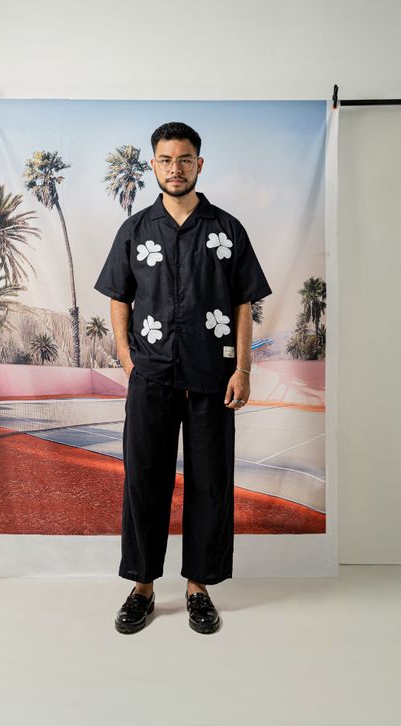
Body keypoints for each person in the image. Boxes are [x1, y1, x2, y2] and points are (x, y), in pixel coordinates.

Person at [94, 121, 273, 634]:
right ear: (154, 165)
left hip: (212, 378)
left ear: (199, 163)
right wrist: (127, 359)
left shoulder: (228, 230)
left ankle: (199, 587)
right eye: (166, 160)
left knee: (210, 483)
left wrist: (242, 368)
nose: (176, 168)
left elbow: (243, 303)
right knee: (144, 480)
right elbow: (119, 297)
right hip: (150, 377)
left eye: (185, 159)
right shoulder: (134, 231)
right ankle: (143, 587)